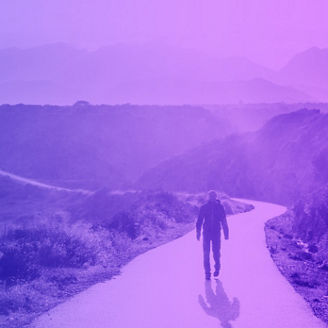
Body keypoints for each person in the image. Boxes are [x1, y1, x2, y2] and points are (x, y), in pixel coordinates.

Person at [196, 190, 229, 280]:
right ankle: (207, 273)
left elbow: (224, 221)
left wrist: (226, 233)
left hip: (216, 233)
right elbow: (199, 220)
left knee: (216, 253)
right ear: (208, 197)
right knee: (206, 253)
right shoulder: (204, 207)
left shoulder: (220, 207)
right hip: (206, 233)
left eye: (214, 196)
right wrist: (198, 232)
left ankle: (217, 267)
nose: (212, 198)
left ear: (216, 197)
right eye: (210, 196)